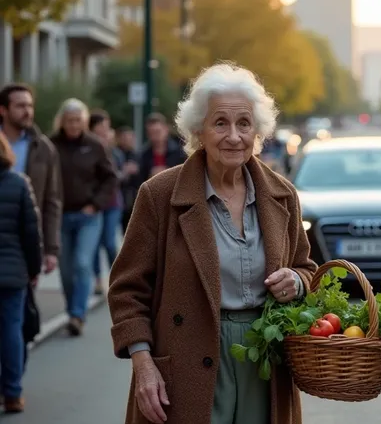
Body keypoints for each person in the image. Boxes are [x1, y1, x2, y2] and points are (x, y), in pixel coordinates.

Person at [107, 62, 317, 424]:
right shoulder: (159, 195)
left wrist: (296, 281)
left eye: (244, 124)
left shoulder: (283, 195)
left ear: (258, 131)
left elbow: (307, 269)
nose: (234, 136)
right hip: (187, 357)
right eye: (220, 123)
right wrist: (143, 364)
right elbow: (127, 290)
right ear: (198, 130)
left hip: (265, 358)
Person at [0, 83, 63, 369]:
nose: (27, 111)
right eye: (19, 105)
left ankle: (13, 382)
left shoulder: (43, 148)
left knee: (18, 316)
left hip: (24, 243)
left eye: (29, 105)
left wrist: (50, 249)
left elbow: (52, 201)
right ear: (3, 110)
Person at [50, 99, 117, 336]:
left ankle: (78, 315)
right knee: (66, 271)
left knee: (82, 263)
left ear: (84, 121)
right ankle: (72, 312)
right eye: (70, 120)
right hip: (60, 215)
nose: (74, 124)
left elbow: (110, 178)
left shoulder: (95, 145)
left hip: (88, 215)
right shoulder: (50, 145)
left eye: (78, 119)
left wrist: (96, 204)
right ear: (62, 121)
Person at [0, 131, 42, 414]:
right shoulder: (18, 183)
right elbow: (31, 233)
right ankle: (13, 393)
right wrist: (34, 268)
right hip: (12, 271)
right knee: (12, 330)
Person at [89, 110, 124, 295]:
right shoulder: (89, 148)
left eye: (107, 126)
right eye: (101, 126)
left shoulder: (112, 150)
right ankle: (97, 280)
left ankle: (118, 276)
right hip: (94, 203)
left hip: (112, 204)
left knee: (109, 242)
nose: (105, 130)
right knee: (94, 244)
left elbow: (117, 173)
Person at [136, 112, 187, 183]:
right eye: (151, 133)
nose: (154, 137)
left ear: (166, 130)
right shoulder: (143, 154)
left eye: (157, 132)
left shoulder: (180, 151)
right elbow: (139, 181)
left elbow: (187, 174)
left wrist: (168, 173)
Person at [114, 126, 140, 232]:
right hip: (118, 197)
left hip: (132, 196)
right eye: (124, 138)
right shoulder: (115, 154)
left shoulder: (137, 155)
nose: (127, 141)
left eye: (130, 138)